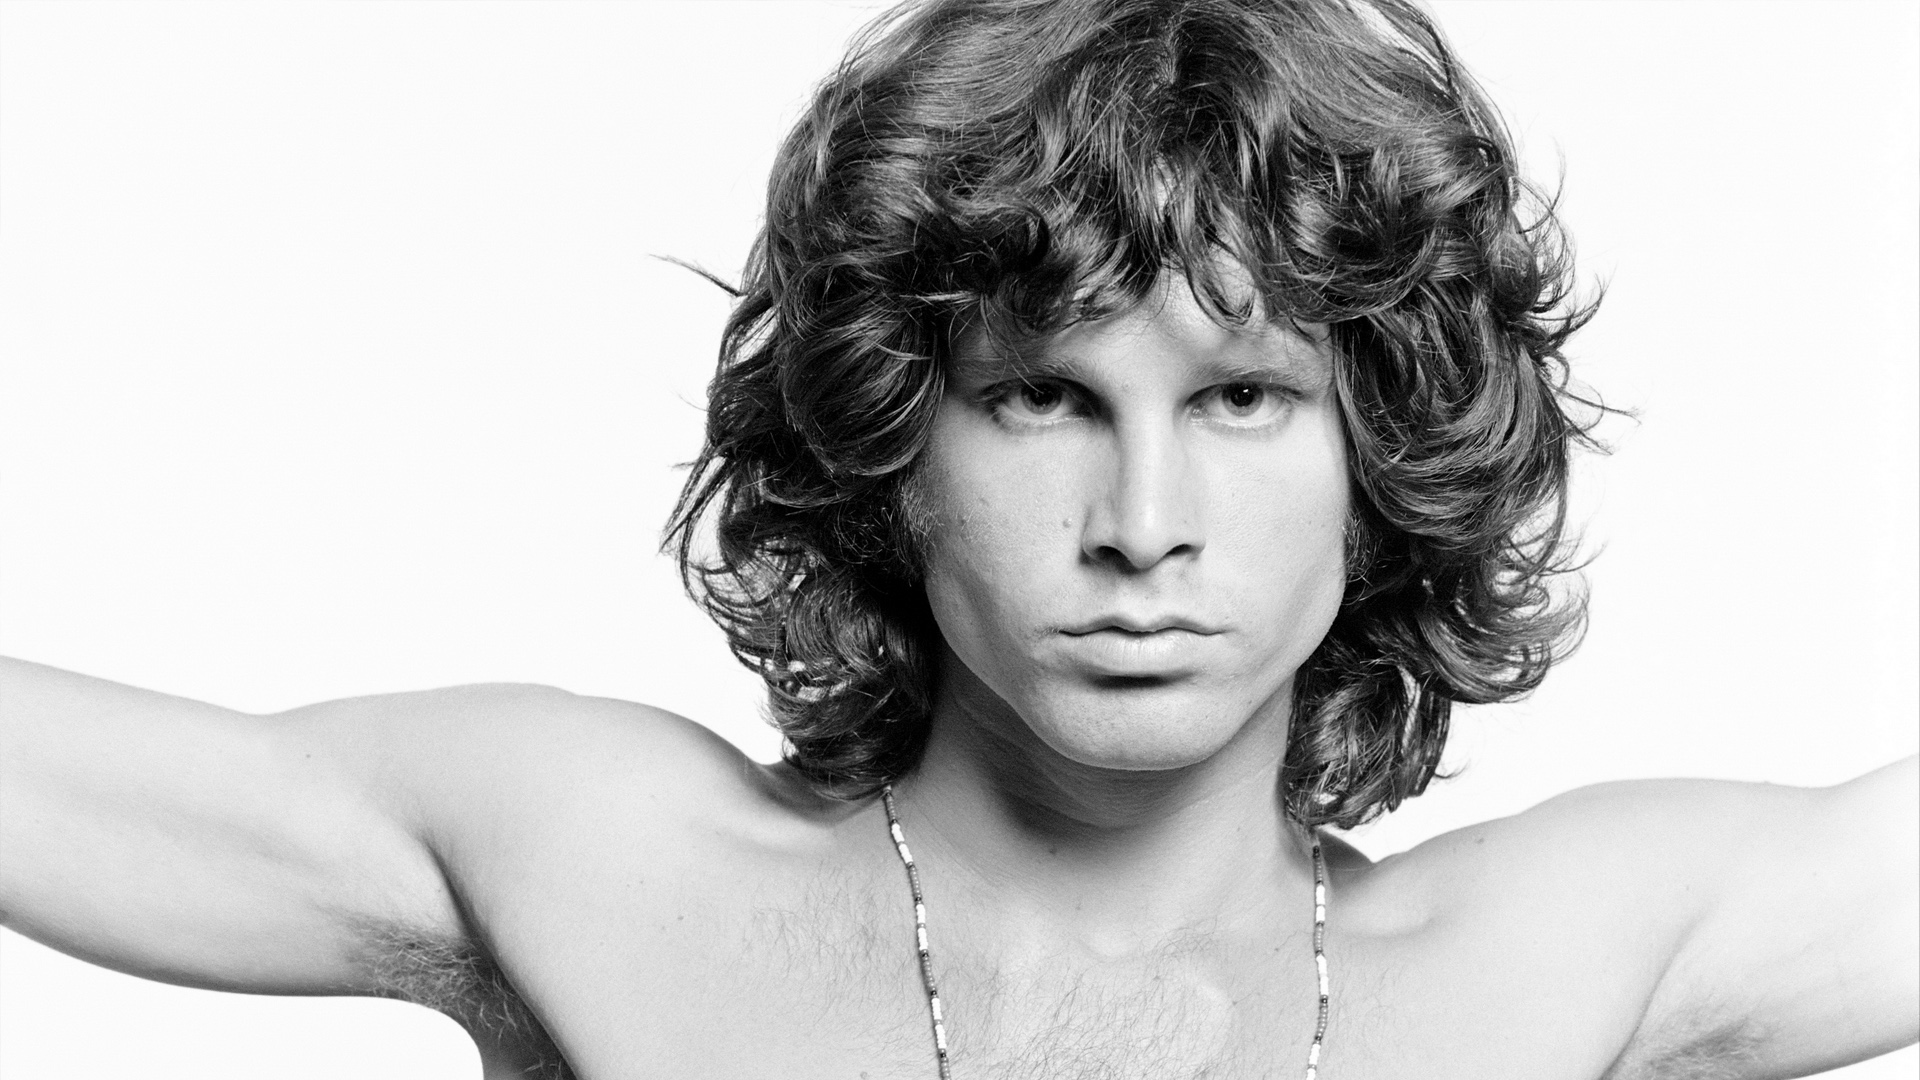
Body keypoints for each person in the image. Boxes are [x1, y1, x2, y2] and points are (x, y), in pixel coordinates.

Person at [1, 1, 1915, 1079]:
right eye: (1045, 397)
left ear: (1380, 455)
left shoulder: (1561, 957)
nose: (1143, 528)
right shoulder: (598, 863)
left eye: (1243, 400)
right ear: (891, 445)